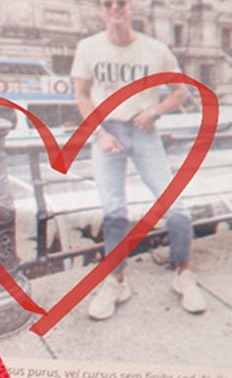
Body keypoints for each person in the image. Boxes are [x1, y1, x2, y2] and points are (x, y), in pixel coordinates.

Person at [71, 0, 206, 319]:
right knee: (113, 210)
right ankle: (117, 281)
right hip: (108, 132)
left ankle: (183, 273)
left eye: (121, 2)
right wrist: (99, 133)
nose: (115, 8)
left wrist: (155, 111)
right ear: (100, 11)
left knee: (175, 206)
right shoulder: (88, 47)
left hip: (144, 131)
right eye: (107, 4)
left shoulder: (155, 50)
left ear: (130, 8)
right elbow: (82, 94)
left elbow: (181, 91)